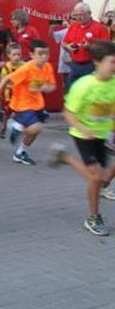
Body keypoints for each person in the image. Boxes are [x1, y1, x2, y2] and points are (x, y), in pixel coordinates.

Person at [48, 40, 115, 236]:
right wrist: (83, 128)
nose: (114, 66)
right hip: (82, 135)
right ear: (97, 62)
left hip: (102, 135)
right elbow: (67, 112)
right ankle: (93, 217)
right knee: (96, 177)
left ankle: (64, 157)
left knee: (100, 180)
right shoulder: (83, 86)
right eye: (112, 62)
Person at [0, 40, 55, 165]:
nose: (43, 57)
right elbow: (5, 81)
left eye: (46, 54)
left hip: (37, 104)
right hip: (22, 104)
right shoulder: (26, 69)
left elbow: (52, 86)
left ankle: (20, 153)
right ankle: (14, 125)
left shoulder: (47, 67)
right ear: (31, 55)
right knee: (36, 128)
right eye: (40, 54)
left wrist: (45, 87)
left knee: (34, 132)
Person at [62, 2, 110, 86]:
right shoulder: (73, 26)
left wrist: (90, 47)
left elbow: (107, 50)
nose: (78, 17)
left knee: (90, 92)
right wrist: (67, 47)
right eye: (76, 15)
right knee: (71, 90)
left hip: (92, 66)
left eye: (81, 15)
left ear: (89, 13)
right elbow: (64, 43)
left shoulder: (100, 28)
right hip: (74, 65)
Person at [0, 43, 24, 139]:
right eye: (14, 55)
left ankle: (15, 128)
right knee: (8, 112)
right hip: (9, 95)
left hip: (21, 94)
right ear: (8, 56)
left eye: (18, 54)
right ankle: (3, 126)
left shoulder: (24, 66)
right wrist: (0, 97)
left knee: (19, 112)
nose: (16, 57)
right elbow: (2, 83)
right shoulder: (6, 68)